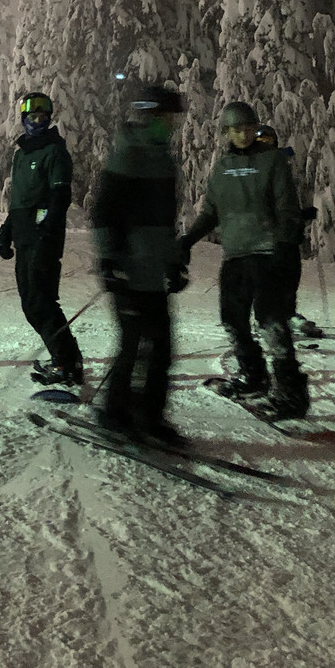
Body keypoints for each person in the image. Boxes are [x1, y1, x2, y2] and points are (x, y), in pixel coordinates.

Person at [177, 101, 311, 419]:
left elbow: (287, 208)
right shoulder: (222, 168)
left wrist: (283, 245)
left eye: (248, 129)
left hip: (268, 254)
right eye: (237, 130)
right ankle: (254, 377)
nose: (243, 134)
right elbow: (210, 212)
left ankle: (290, 392)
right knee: (232, 320)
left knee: (271, 322)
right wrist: (187, 240)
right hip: (236, 255)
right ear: (226, 132)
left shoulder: (272, 162)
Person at [90, 85, 189, 447]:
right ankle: (114, 413)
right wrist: (109, 260)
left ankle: (150, 416)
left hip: (153, 272)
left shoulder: (163, 160)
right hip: (129, 269)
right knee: (133, 344)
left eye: (171, 119)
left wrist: (173, 262)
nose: (170, 125)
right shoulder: (127, 154)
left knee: (162, 346)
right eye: (164, 118)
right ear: (148, 115)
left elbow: (164, 224)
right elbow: (103, 212)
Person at [0, 92, 84, 387]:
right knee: (31, 303)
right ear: (23, 119)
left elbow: (60, 195)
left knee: (41, 302)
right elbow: (21, 198)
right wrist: (8, 229)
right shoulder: (21, 153)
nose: (37, 121)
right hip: (24, 237)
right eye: (32, 116)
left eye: (42, 117)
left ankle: (65, 364)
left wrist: (49, 228)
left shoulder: (54, 151)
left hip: (43, 238)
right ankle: (67, 359)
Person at [255, 123, 321, 338]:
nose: (266, 145)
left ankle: (288, 314)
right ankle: (266, 318)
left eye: (268, 141)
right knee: (267, 278)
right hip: (267, 236)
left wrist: (302, 214)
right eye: (261, 141)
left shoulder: (284, 164)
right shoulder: (255, 167)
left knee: (291, 276)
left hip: (289, 234)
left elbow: (287, 202)